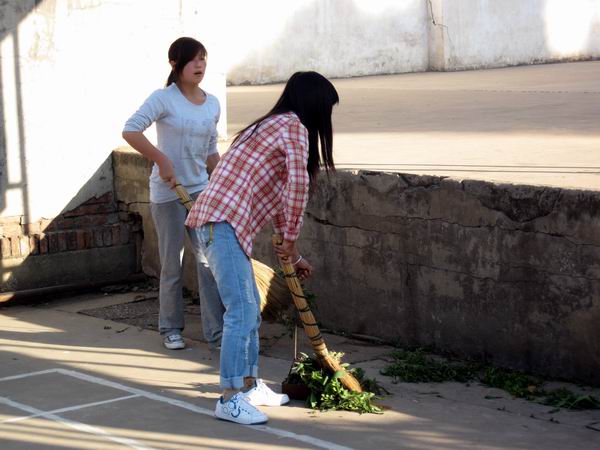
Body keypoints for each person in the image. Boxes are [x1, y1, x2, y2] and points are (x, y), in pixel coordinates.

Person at [185, 71, 339, 425]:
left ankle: (251, 386)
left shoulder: (266, 125)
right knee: (241, 310)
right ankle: (230, 397)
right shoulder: (293, 126)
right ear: (314, 104)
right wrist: (292, 238)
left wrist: (293, 251)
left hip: (220, 223)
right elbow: (297, 185)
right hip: (222, 223)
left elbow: (282, 193)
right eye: (327, 108)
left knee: (250, 309)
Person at [122, 37, 224, 351]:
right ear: (175, 64)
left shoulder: (212, 103)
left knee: (208, 262)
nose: (199, 65)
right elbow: (131, 130)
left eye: (203, 58)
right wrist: (161, 159)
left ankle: (217, 332)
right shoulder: (163, 98)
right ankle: (170, 328)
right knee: (172, 263)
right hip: (168, 194)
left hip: (201, 192)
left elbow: (210, 150)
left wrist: (223, 179)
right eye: (193, 59)